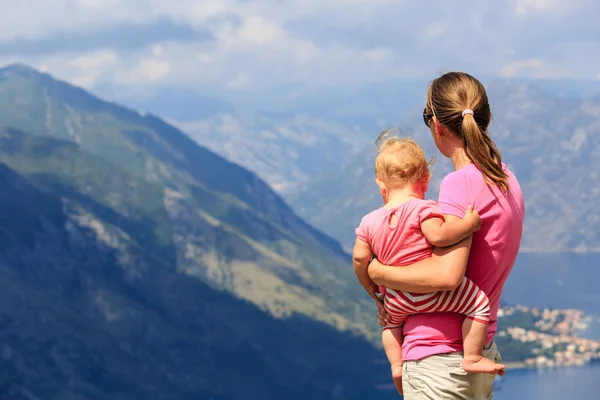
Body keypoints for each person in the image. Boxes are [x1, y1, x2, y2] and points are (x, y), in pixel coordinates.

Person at [367, 72, 525, 399]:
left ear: (437, 125)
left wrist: (378, 272)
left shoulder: (459, 183)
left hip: (439, 359)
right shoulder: (506, 178)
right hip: (477, 347)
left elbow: (447, 275)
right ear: (487, 118)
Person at [352, 133, 505, 396]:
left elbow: (359, 259)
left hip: (399, 300)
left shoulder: (368, 222)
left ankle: (397, 365)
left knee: (390, 325)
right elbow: (439, 236)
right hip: (435, 296)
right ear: (425, 180)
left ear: (381, 186)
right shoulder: (423, 209)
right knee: (478, 303)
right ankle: (471, 356)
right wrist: (469, 224)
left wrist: (371, 288)